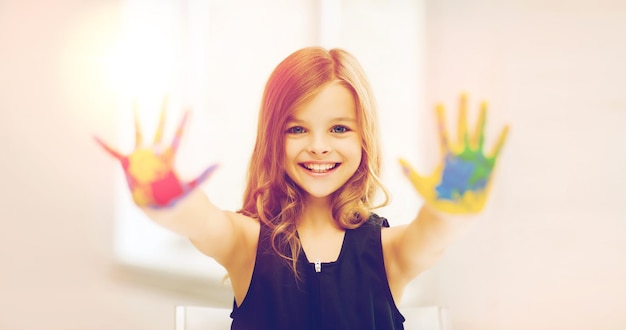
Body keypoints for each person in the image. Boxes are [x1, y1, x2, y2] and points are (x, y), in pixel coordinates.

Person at [96, 47, 508, 330]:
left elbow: (435, 232)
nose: (318, 145)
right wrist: (165, 195)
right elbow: (199, 220)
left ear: (365, 138)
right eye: (297, 128)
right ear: (273, 138)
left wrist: (454, 204)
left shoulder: (389, 252)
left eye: (339, 128)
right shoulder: (246, 242)